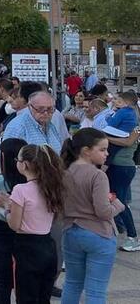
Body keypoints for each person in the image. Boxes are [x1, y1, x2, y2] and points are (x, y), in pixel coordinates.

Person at [60, 128, 124, 303]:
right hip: (99, 234)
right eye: (102, 149)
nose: (107, 153)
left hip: (71, 231)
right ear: (86, 151)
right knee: (96, 291)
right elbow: (103, 212)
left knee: (72, 284)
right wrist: (117, 204)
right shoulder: (98, 175)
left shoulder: (64, 172)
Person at [0, 143, 63, 302]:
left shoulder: (20, 189)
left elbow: (14, 224)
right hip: (47, 244)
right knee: (43, 295)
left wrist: (6, 207)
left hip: (27, 247)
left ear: (24, 165)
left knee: (26, 296)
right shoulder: (51, 187)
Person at [0, 138, 28, 304]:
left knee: (3, 282)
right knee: (24, 281)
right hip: (25, 234)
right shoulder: (31, 183)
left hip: (0, 233)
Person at [105, 91, 140, 251]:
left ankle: (132, 236)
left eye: (119, 100)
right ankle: (121, 230)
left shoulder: (134, 125)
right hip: (122, 166)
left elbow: (127, 142)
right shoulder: (130, 120)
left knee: (118, 201)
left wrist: (105, 138)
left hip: (122, 166)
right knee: (115, 199)